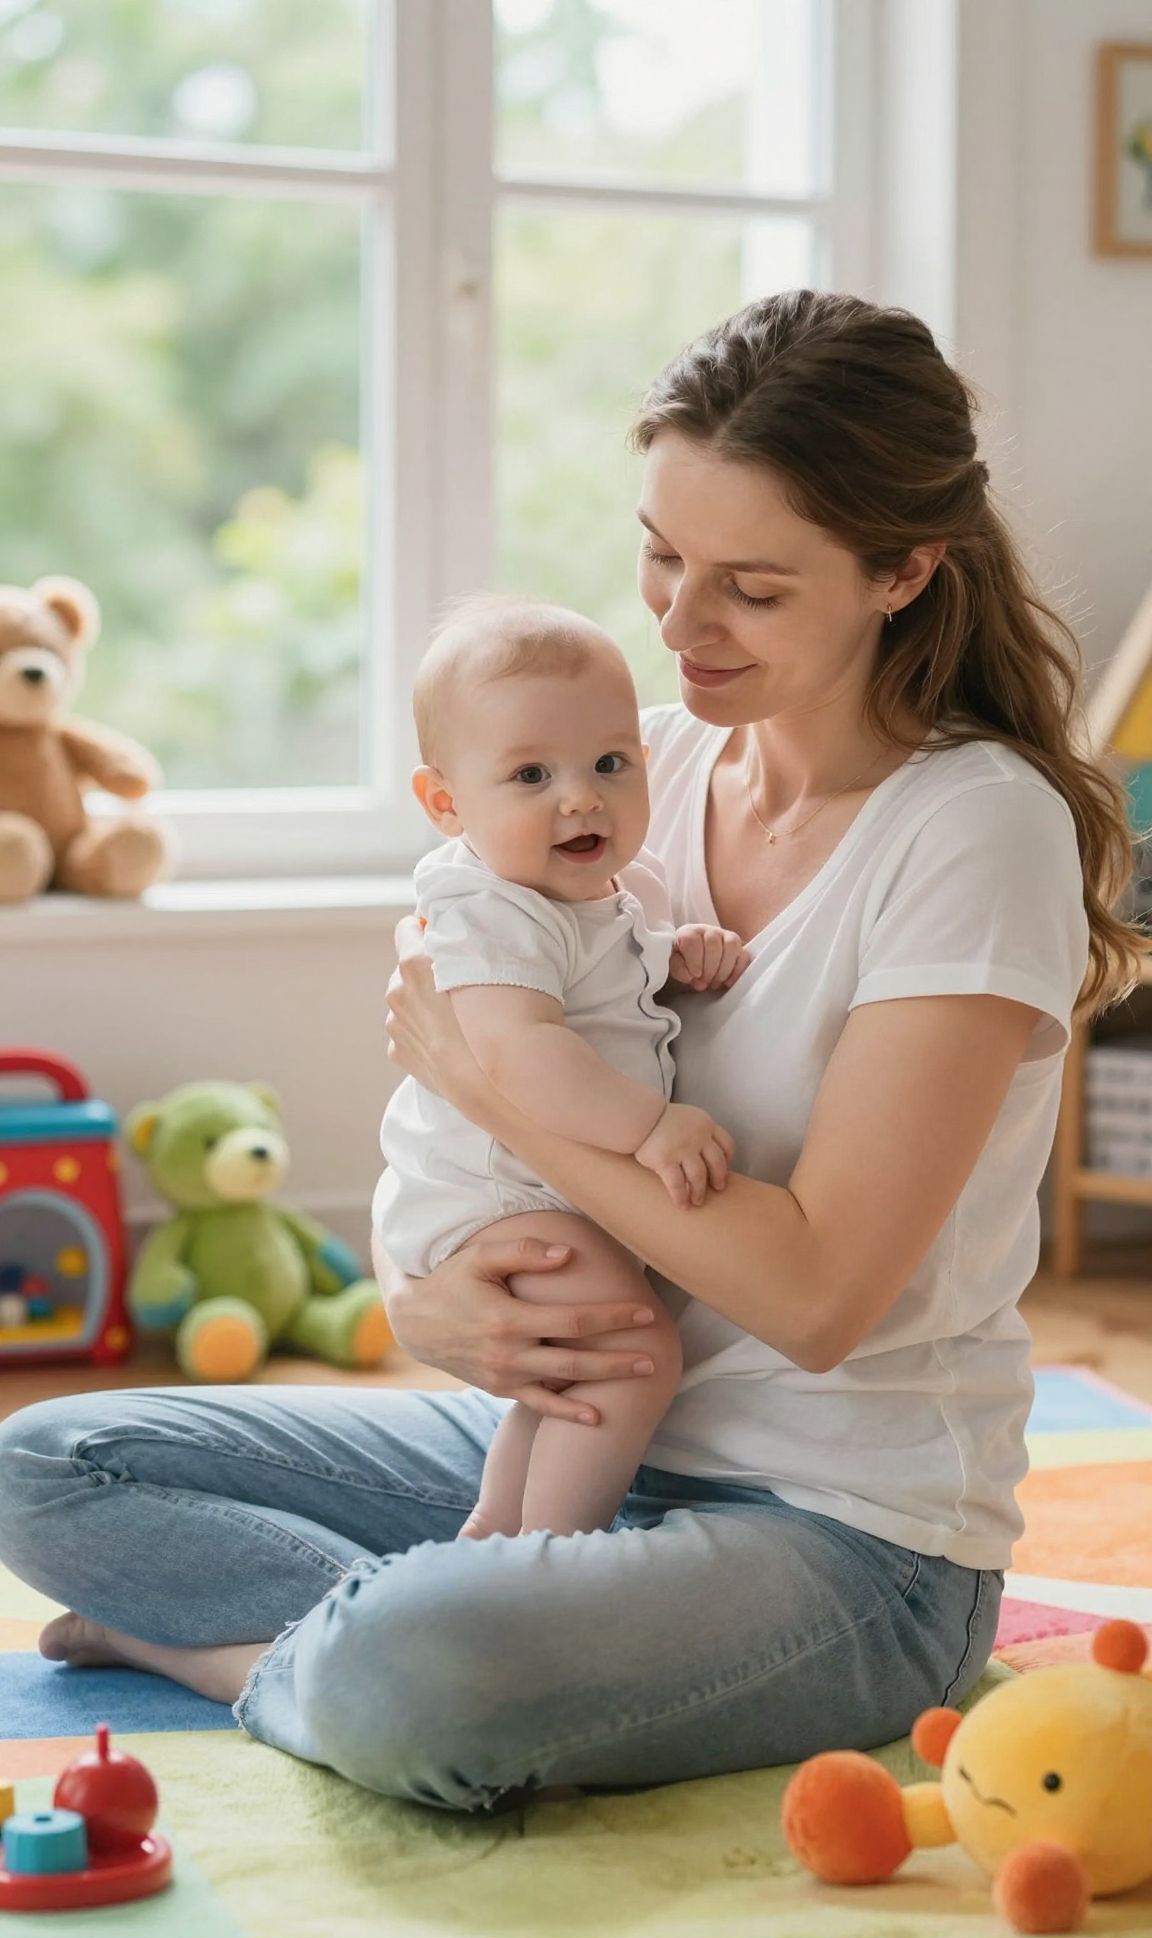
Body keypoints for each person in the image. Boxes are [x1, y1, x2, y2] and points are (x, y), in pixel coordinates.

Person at [0, 290, 1139, 1819]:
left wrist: (501, 1097)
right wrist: (438, 1301)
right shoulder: (638, 764)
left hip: (842, 1535)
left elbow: (813, 1295)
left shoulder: (973, 831)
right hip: (583, 1422)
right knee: (56, 1462)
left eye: (748, 585)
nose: (677, 623)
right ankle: (424, 1627)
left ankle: (272, 1653)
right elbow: (461, 1055)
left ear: (903, 571)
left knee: (420, 1682)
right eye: (662, 556)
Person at [376, 592, 748, 1542]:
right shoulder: (491, 905)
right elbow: (519, 1053)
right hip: (502, 1194)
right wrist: (651, 1127)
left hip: (541, 1186)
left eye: (609, 764)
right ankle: (548, 1558)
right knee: (629, 1354)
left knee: (563, 1383)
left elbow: (610, 971)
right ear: (446, 803)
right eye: (531, 774)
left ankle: (497, 1535)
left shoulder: (610, 886)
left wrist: (676, 951)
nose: (580, 796)